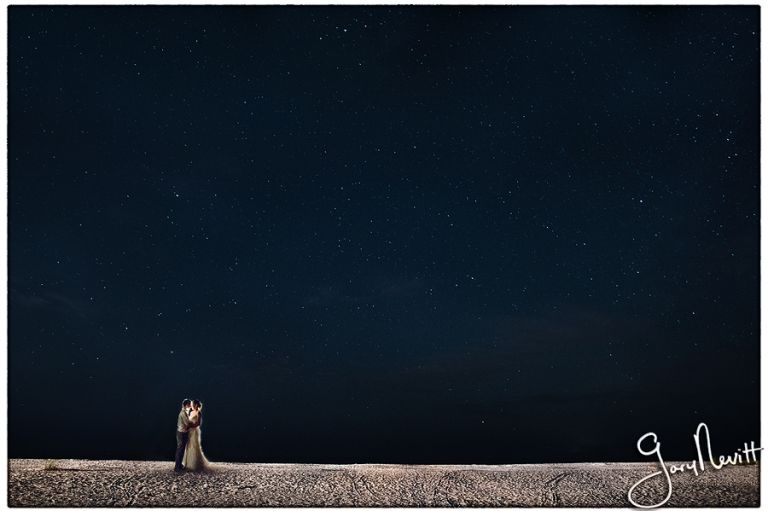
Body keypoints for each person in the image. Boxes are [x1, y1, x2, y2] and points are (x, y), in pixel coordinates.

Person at [182, 399, 210, 471]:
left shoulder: (198, 413)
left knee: (194, 446)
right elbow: (188, 420)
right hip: (190, 431)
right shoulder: (191, 412)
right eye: (191, 404)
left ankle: (194, 464)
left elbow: (198, 423)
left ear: (196, 405)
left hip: (195, 431)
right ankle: (187, 464)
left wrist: (190, 426)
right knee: (189, 446)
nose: (191, 405)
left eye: (192, 404)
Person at [174, 399, 194, 472]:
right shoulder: (183, 413)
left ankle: (179, 465)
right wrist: (193, 424)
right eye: (189, 405)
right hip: (181, 433)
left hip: (183, 432)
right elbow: (187, 423)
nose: (190, 406)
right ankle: (177, 467)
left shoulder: (185, 412)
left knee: (181, 450)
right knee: (180, 449)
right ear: (185, 405)